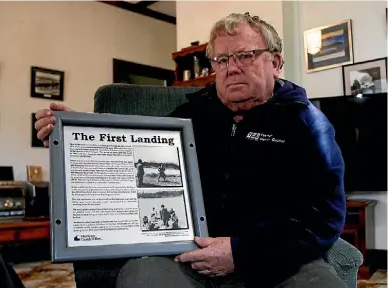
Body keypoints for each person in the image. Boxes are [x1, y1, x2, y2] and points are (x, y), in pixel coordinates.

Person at [34, 12, 347, 288]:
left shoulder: (308, 123)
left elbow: (325, 216)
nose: (232, 68)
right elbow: (129, 157)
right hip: (188, 257)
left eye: (245, 55)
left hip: (274, 258)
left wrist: (241, 252)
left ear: (275, 62)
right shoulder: (188, 117)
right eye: (222, 60)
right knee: (142, 275)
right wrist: (73, 136)